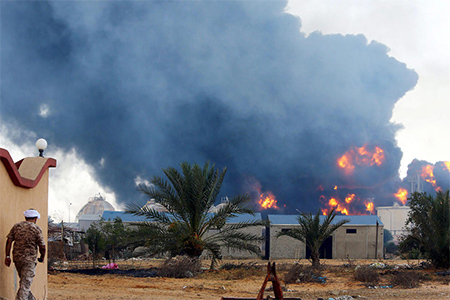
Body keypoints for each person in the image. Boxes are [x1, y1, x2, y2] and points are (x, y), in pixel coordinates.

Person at [5, 209, 46, 300]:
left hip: (17, 259)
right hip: (29, 261)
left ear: (25, 217)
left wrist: (7, 256)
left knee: (24, 283)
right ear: (35, 219)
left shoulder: (16, 227)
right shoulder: (36, 228)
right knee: (26, 284)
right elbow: (42, 246)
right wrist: (42, 257)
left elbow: (9, 241)